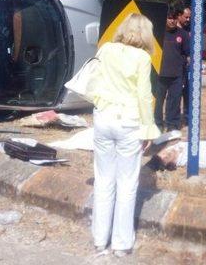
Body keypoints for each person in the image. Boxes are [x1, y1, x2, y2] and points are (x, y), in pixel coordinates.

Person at [89, 13, 160, 256]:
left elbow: (94, 81)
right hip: (128, 121)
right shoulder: (142, 57)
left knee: (103, 179)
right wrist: (148, 128)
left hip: (103, 118)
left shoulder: (106, 49)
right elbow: (143, 95)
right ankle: (121, 243)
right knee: (127, 184)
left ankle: (100, 239)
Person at [154, 12, 190, 132]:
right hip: (160, 74)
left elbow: (188, 54)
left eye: (174, 18)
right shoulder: (158, 33)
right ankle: (157, 124)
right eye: (169, 18)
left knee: (174, 101)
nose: (172, 21)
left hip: (177, 75)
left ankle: (172, 125)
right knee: (158, 101)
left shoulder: (183, 35)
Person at [174, 6, 192, 125]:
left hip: (187, 67)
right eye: (186, 17)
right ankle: (174, 117)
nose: (188, 20)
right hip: (175, 67)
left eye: (190, 17)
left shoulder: (189, 30)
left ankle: (187, 118)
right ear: (179, 16)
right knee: (175, 94)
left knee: (188, 92)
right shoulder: (173, 30)